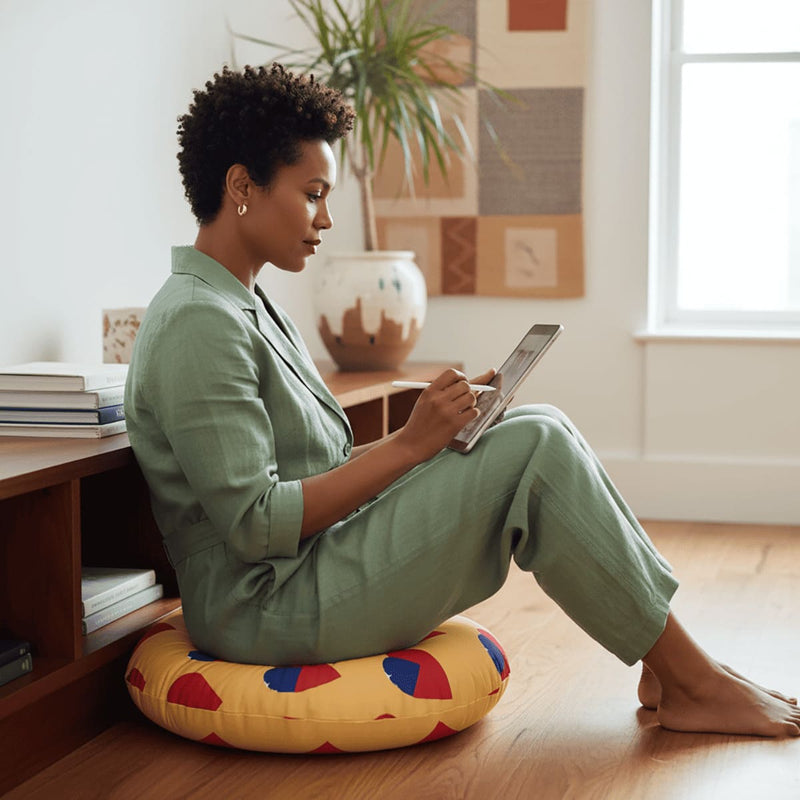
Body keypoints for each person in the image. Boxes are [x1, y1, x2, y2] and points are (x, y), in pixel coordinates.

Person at [124, 64, 799, 738]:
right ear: (242, 186)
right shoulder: (198, 320)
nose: (327, 218)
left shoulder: (249, 304)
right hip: (265, 606)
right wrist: (412, 444)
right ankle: (690, 681)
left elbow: (308, 466)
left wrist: (437, 432)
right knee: (536, 447)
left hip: (305, 565)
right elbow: (252, 522)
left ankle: (669, 663)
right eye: (313, 193)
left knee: (537, 423)